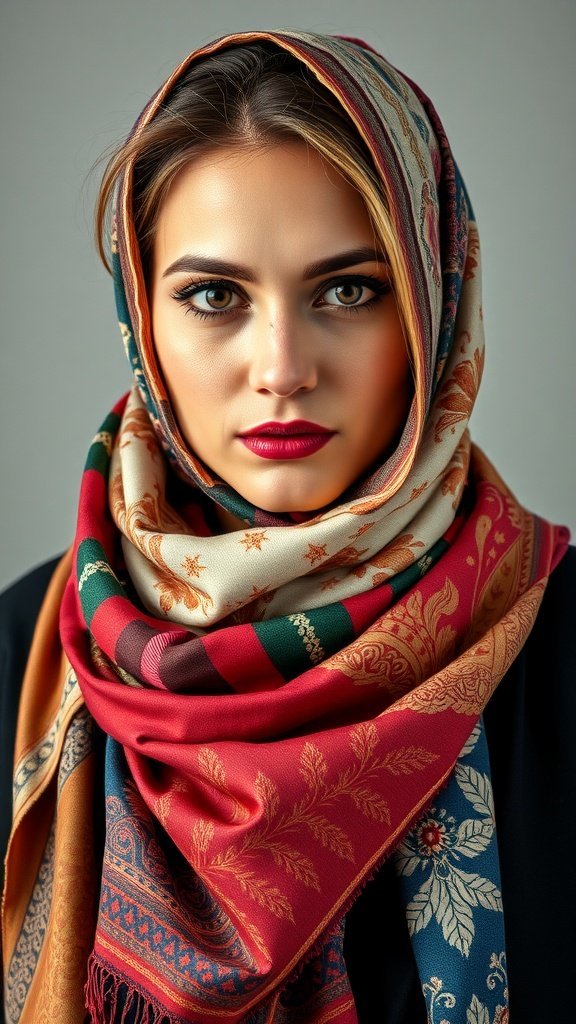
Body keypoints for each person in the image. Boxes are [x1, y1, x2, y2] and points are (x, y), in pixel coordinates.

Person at [1, 28, 573, 1024]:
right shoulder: (20, 653)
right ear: (144, 319)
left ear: (437, 308)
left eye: (348, 290)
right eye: (214, 296)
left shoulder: (560, 640)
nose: (282, 366)